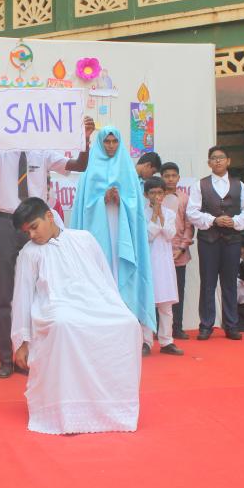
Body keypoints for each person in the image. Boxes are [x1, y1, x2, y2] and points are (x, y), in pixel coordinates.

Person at [0, 113, 95, 379]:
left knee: (39, 293)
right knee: (4, 295)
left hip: (36, 225)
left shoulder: (43, 151)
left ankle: (32, 357)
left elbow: (79, 165)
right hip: (5, 224)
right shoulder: (0, 150)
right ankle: (6, 359)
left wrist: (86, 140)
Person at [11, 198, 142, 435]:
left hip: (96, 302)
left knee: (128, 323)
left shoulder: (84, 239)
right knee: (64, 325)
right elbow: (22, 296)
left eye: (34, 227)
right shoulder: (29, 253)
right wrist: (22, 342)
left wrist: (117, 306)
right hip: (55, 307)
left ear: (49, 216)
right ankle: (67, 413)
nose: (32, 235)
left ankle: (115, 410)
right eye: (26, 232)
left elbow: (105, 277)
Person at [71, 127, 157, 351]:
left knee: (123, 275)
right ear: (101, 143)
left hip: (122, 231)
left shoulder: (128, 170)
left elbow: (135, 207)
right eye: (107, 142)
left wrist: (121, 202)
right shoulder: (89, 171)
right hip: (98, 233)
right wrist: (102, 200)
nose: (111, 146)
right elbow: (83, 208)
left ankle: (133, 336)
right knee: (100, 276)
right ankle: (100, 339)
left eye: (114, 141)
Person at [186, 146, 244, 341]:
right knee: (207, 283)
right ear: (209, 163)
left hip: (232, 240)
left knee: (229, 283)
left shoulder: (239, 185)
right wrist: (213, 220)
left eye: (221, 157)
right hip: (208, 240)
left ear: (228, 161)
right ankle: (206, 325)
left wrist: (234, 221)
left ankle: (231, 325)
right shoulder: (200, 185)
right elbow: (192, 212)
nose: (217, 161)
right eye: (214, 158)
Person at [143, 177, 183, 356]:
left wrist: (160, 215)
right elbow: (148, 236)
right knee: (147, 303)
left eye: (160, 192)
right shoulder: (141, 213)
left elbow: (169, 234)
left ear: (165, 194)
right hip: (148, 263)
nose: (156, 196)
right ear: (146, 195)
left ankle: (167, 341)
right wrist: (153, 216)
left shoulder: (170, 213)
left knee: (165, 305)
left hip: (165, 263)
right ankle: (146, 341)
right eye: (152, 193)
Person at [160, 162, 194, 339]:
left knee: (178, 291)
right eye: (167, 176)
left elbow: (189, 225)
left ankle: (177, 328)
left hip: (179, 253)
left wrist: (181, 248)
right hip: (159, 253)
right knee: (159, 291)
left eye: (174, 176)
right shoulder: (155, 198)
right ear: (161, 177)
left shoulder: (185, 199)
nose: (170, 179)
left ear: (179, 178)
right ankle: (158, 328)